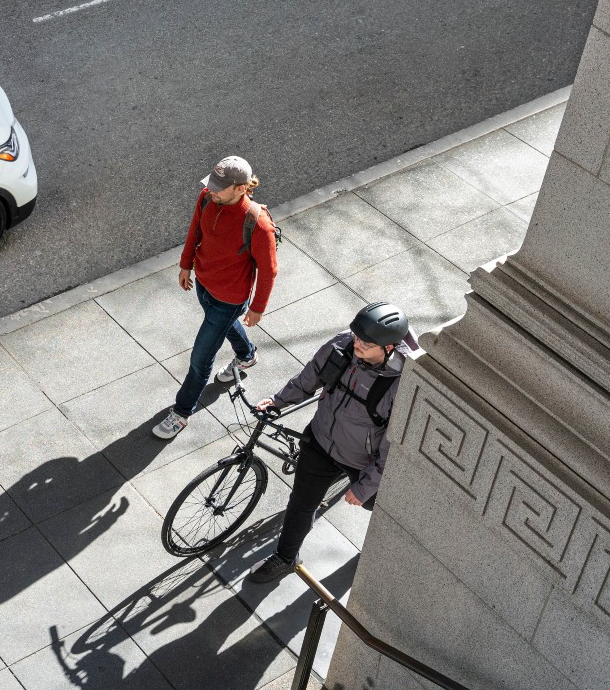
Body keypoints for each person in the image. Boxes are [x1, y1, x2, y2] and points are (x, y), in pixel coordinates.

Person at [247, 301, 416, 583]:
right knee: (301, 503)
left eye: (366, 342)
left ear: (388, 348)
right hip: (322, 439)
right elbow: (310, 375)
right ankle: (285, 557)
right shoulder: (343, 345)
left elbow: (392, 448)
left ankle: (384, 552)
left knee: (384, 510)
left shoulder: (402, 385)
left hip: (364, 462)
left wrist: (363, 489)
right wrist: (278, 401)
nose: (357, 343)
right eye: (357, 336)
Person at [153, 156, 278, 440]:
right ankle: (246, 356)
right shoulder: (208, 198)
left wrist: (257, 308)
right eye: (211, 184)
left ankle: (181, 413)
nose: (211, 191)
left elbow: (269, 272)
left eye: (219, 187)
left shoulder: (258, 224)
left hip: (229, 300)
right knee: (221, 325)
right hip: (204, 285)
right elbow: (194, 230)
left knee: (200, 359)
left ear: (240, 188)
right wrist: (186, 264)